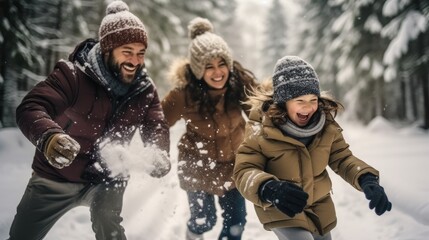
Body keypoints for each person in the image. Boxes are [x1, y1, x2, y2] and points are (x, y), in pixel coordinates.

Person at [9, 1, 171, 239]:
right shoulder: (73, 75)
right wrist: (50, 137)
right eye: (127, 52)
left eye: (140, 53)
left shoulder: (144, 90)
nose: (135, 61)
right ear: (107, 49)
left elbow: (156, 126)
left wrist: (158, 152)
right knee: (22, 235)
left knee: (110, 227)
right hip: (55, 176)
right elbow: (31, 107)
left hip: (107, 176)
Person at [232, 56, 392, 240]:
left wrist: (366, 178)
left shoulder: (326, 126)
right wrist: (269, 188)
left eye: (313, 99)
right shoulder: (261, 128)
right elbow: (244, 170)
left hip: (319, 207)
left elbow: (342, 158)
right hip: (281, 205)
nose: (308, 107)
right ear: (283, 101)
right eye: (300, 100)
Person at [161, 17, 258, 240]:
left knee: (236, 223)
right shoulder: (184, 94)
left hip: (233, 166)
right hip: (197, 164)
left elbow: (262, 109)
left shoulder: (238, 83)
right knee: (204, 220)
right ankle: (193, 234)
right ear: (197, 69)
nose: (217, 72)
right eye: (208, 66)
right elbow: (157, 121)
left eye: (221, 64)